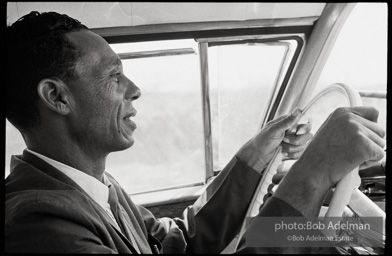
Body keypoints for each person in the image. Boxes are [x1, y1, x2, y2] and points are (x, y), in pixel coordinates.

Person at [5, 11, 385, 254]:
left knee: (359, 235)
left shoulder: (95, 186)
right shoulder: (40, 225)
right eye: (113, 75)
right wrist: (313, 172)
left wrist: (256, 153)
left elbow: (181, 244)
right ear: (57, 96)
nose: (134, 88)